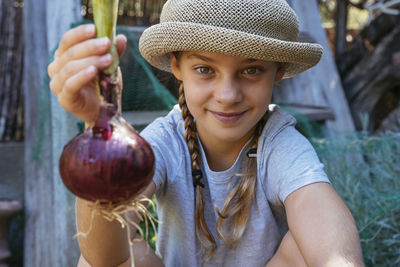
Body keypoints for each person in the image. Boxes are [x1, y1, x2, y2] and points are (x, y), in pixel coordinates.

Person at [48, 0, 364, 266]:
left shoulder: (279, 143)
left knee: (302, 246)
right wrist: (100, 127)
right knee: (129, 257)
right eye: (205, 69)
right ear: (176, 66)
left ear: (277, 70)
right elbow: (104, 258)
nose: (227, 95)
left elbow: (321, 218)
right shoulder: (167, 140)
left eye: (251, 70)